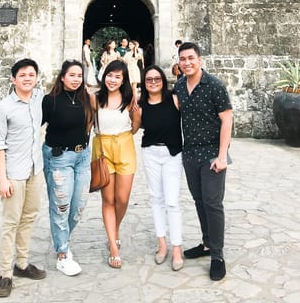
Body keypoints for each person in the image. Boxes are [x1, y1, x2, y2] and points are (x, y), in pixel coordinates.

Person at [173, 42, 233, 282]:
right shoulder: (179, 87)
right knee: (199, 200)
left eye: (191, 58)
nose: (187, 62)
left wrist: (222, 156)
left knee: (212, 202)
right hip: (190, 154)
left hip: (211, 154)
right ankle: (207, 244)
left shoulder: (214, 86)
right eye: (183, 59)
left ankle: (217, 256)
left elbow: (227, 120)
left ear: (199, 60)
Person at [0, 58, 46, 298]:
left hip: (35, 170)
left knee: (29, 218)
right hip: (14, 173)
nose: (27, 78)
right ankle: (5, 274)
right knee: (10, 223)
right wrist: (2, 179)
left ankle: (22, 264)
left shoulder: (39, 99)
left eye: (31, 74)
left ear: (36, 78)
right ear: (13, 79)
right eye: (22, 75)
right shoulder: (4, 107)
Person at [42, 60, 93, 276]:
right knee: (61, 206)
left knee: (78, 207)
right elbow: (33, 124)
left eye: (79, 76)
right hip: (59, 158)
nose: (75, 79)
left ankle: (62, 238)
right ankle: (62, 253)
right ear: (62, 77)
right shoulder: (50, 101)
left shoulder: (86, 99)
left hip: (83, 157)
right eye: (71, 75)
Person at [89, 60, 140, 269]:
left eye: (118, 77)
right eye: (110, 75)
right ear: (104, 75)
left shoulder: (129, 100)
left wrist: (123, 136)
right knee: (108, 199)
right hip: (102, 148)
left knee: (122, 198)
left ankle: (115, 228)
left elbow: (136, 125)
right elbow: (89, 122)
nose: (112, 80)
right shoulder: (95, 99)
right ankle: (113, 245)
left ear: (123, 79)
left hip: (124, 144)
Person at [139, 65, 184, 271]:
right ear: (144, 82)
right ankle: (162, 244)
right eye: (149, 79)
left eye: (157, 78)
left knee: (172, 202)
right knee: (156, 198)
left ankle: (176, 248)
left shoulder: (174, 99)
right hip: (150, 153)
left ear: (163, 80)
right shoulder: (141, 104)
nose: (153, 82)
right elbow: (134, 127)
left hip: (172, 154)